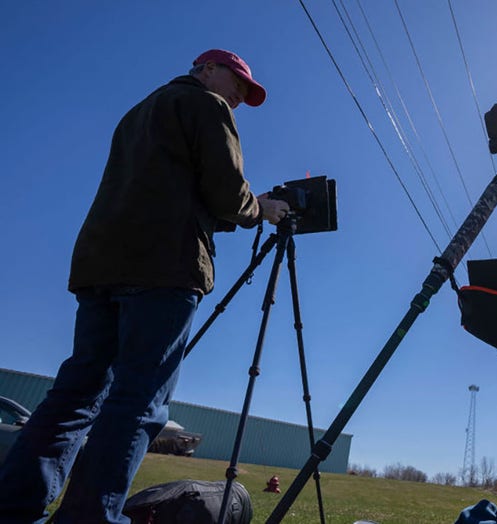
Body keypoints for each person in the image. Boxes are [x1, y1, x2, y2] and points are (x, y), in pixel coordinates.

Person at [0, 49, 290, 523]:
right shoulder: (206, 106)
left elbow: (172, 191)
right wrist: (261, 208)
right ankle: (90, 517)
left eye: (245, 93)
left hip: (101, 264)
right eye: (236, 81)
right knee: (138, 400)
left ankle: (13, 508)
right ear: (206, 69)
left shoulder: (139, 111)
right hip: (164, 267)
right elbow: (225, 191)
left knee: (75, 394)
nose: (238, 96)